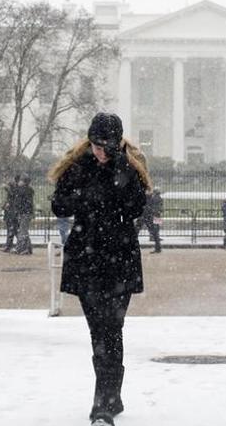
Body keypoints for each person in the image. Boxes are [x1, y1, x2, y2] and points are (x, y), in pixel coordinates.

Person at [48, 113, 151, 426]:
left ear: (117, 143)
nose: (99, 152)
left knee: (112, 329)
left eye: (105, 146)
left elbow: (136, 207)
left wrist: (119, 173)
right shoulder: (79, 164)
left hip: (119, 256)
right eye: (95, 144)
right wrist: (84, 196)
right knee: (100, 331)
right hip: (87, 257)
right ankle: (105, 397)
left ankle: (107, 397)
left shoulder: (128, 167)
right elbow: (58, 205)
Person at [13, 173, 35, 255]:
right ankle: (26, 248)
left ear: (24, 182)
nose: (19, 182)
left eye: (21, 180)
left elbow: (20, 201)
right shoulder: (25, 189)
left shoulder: (24, 189)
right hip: (24, 212)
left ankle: (23, 249)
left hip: (24, 212)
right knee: (23, 231)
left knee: (23, 231)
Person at [140, 187, 163, 253]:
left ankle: (157, 246)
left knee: (154, 231)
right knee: (156, 231)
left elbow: (151, 208)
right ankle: (158, 247)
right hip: (156, 216)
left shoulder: (152, 198)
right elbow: (158, 208)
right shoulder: (158, 198)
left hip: (151, 216)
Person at [1, 175, 20, 252]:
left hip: (12, 214)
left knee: (12, 231)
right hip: (11, 214)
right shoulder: (12, 193)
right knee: (12, 231)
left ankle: (9, 246)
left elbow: (11, 199)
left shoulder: (13, 192)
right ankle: (9, 245)